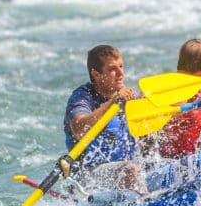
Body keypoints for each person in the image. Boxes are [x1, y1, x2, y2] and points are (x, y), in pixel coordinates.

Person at [63, 44, 148, 195]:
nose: (121, 73)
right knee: (129, 169)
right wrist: (111, 104)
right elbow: (79, 129)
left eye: (121, 66)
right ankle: (148, 203)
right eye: (112, 69)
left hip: (123, 173)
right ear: (96, 75)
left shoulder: (129, 98)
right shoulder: (83, 96)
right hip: (87, 177)